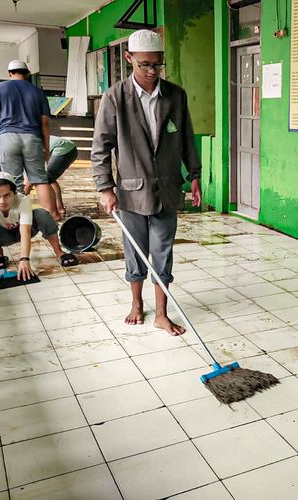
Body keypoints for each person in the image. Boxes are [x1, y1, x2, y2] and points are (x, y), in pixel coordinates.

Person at [92, 29, 201, 336]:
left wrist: (194, 174)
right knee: (135, 250)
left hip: (167, 187)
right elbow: (101, 145)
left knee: (163, 251)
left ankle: (162, 314)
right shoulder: (115, 97)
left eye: (158, 64)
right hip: (130, 192)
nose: (152, 71)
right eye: (145, 65)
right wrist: (104, 187)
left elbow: (186, 139)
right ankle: (137, 303)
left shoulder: (175, 95)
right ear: (129, 59)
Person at [0, 60, 59, 219]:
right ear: (27, 73)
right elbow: (45, 123)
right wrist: (47, 148)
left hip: (8, 138)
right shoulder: (38, 92)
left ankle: (18, 219)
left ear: (9, 73)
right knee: (40, 180)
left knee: (13, 182)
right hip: (32, 138)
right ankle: (51, 217)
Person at [0, 172, 77, 289]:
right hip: (1, 236)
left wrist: (24, 259)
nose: (2, 201)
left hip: (20, 232)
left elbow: (25, 231)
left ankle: (59, 252)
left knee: (42, 214)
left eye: (7, 195)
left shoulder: (23, 200)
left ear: (15, 193)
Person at [24, 135, 77, 219]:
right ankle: (59, 210)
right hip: (69, 147)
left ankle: (54, 214)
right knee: (49, 179)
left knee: (43, 181)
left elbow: (27, 184)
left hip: (62, 149)